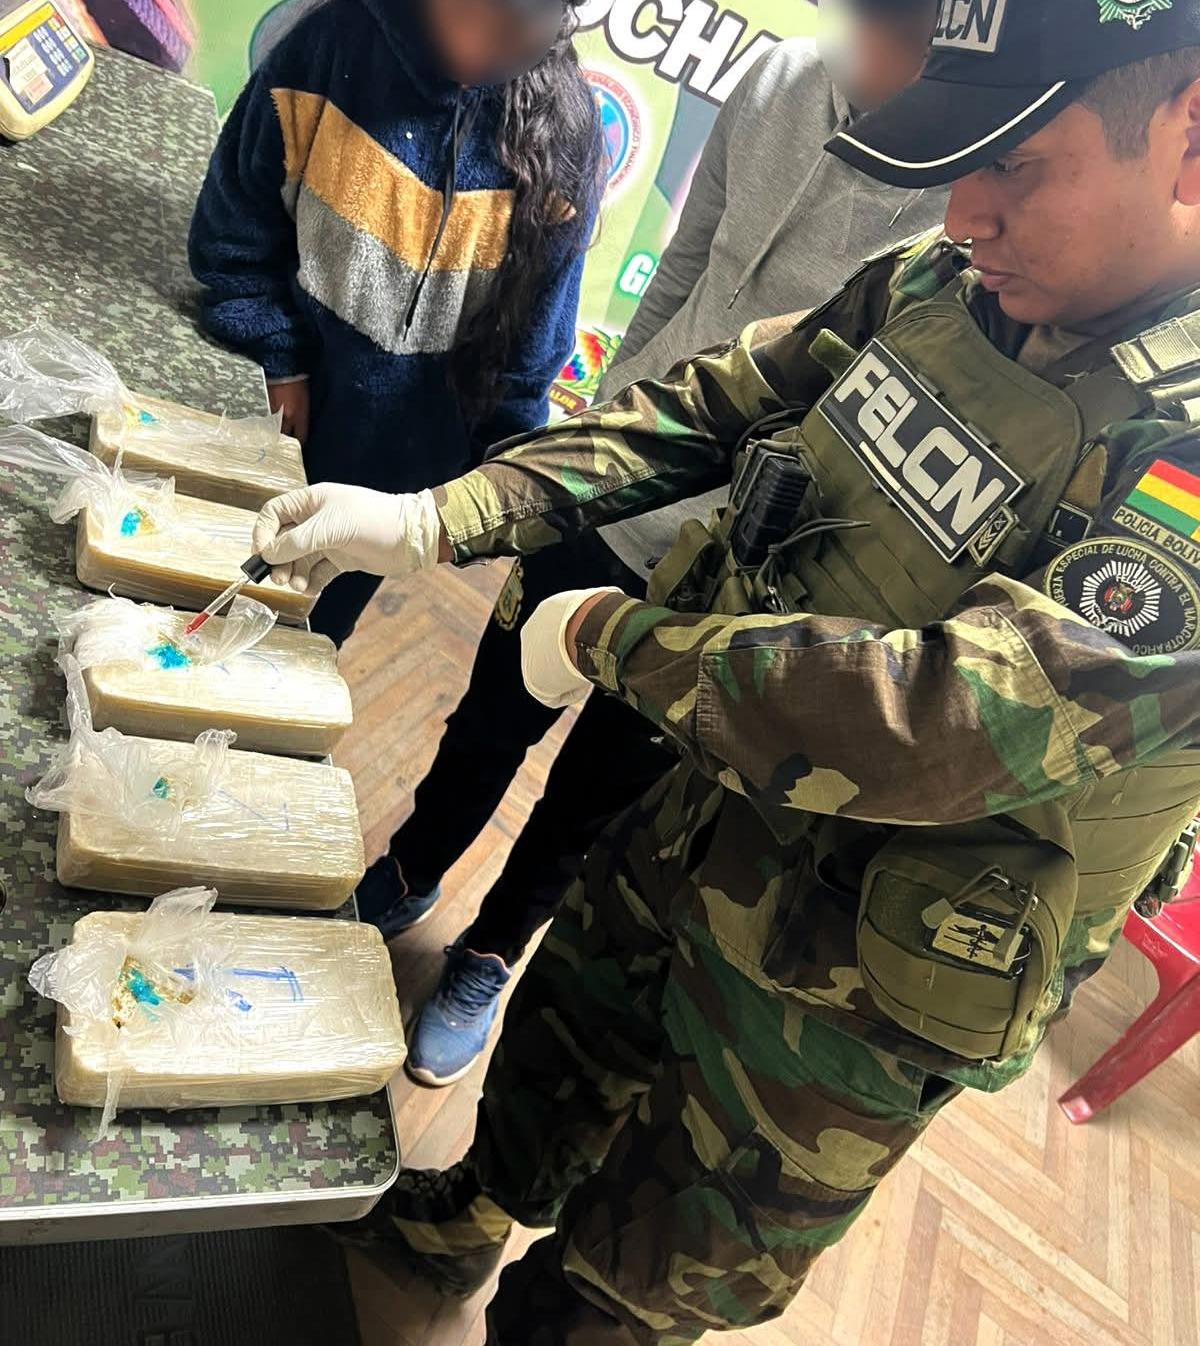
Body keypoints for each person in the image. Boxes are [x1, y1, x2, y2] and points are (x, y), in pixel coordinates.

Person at [254, 0, 1200, 1337]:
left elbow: (953, 714)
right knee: (563, 1040)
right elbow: (714, 401)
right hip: (702, 811)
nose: (964, 214)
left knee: (639, 1272)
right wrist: (442, 516)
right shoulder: (944, 283)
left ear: (1189, 134)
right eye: (959, 163)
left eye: (1017, 167)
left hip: (860, 979)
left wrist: (607, 638)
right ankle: (457, 1215)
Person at [357, 0, 948, 1090]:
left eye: (895, 34)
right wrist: (606, 424)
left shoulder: (963, 201)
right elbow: (684, 272)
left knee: (600, 790)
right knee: (493, 711)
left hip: (738, 561)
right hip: (614, 483)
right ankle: (412, 863)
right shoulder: (779, 79)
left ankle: (489, 955)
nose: (861, 48)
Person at [188, 0, 603, 646]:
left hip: (392, 481)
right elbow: (235, 224)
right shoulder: (331, 43)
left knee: (304, 639)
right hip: (265, 414)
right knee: (187, 589)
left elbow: (528, 355)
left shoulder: (566, 138)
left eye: (518, 25)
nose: (480, 45)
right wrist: (277, 356)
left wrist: (480, 495)